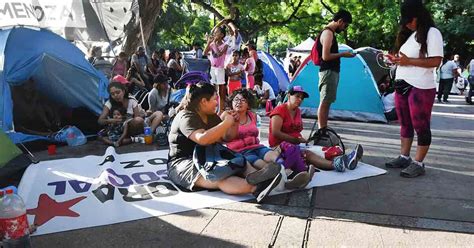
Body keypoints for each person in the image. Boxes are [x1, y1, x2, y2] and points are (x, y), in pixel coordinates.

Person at [167, 82, 282, 203]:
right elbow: (203, 138)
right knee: (219, 177)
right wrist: (226, 122)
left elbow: (226, 138)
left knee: (242, 161)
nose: (217, 102)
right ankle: (256, 188)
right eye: (214, 99)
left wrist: (234, 123)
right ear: (203, 101)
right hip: (183, 163)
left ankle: (262, 179)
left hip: (208, 156)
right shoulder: (186, 116)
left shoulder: (210, 115)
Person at [385, 1, 443, 178]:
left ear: (417, 17)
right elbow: (407, 59)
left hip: (421, 87)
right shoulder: (412, 35)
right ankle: (404, 156)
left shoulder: (432, 33)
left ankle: (418, 162)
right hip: (403, 84)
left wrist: (408, 62)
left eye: (409, 20)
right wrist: (396, 60)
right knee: (405, 123)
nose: (407, 24)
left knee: (420, 124)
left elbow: (435, 61)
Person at [222, 89, 311, 189]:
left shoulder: (253, 116)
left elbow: (256, 135)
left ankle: (289, 175)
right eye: (236, 99)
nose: (239, 102)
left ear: (248, 104)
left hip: (258, 147)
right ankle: (284, 179)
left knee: (275, 157)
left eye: (243, 100)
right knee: (263, 165)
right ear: (231, 102)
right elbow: (222, 133)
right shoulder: (227, 115)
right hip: (241, 151)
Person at [269, 86, 363, 173]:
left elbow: (296, 131)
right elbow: (275, 132)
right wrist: (296, 140)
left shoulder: (297, 111)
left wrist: (301, 140)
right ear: (289, 95)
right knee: (309, 154)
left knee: (321, 149)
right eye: (297, 96)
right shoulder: (279, 110)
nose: (300, 100)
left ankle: (345, 159)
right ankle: (337, 164)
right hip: (279, 146)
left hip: (294, 144)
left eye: (302, 98)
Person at [316, 10, 356, 136]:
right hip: (328, 71)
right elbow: (326, 56)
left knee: (327, 102)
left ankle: (323, 129)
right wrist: (343, 54)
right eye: (345, 25)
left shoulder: (330, 33)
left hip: (331, 71)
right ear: (340, 21)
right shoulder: (328, 33)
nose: (345, 28)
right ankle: (321, 131)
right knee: (324, 102)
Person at [204, 26, 228, 114]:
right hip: (213, 68)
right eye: (214, 32)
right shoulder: (212, 43)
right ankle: (213, 108)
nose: (214, 34)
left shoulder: (225, 45)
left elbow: (218, 54)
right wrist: (208, 42)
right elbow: (204, 53)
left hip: (220, 68)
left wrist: (213, 43)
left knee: (221, 90)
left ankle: (221, 110)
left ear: (222, 35)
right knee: (213, 89)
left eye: (217, 32)